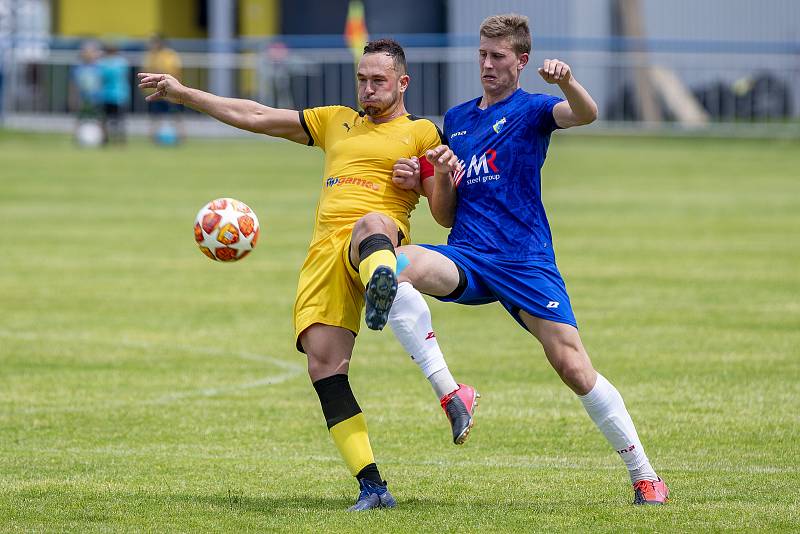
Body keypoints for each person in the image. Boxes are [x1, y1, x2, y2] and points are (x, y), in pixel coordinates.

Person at [138, 38, 477, 511]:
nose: (368, 88)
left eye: (378, 80)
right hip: (324, 252)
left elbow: (444, 215)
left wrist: (434, 175)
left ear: (403, 83)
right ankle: (373, 487)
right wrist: (186, 94)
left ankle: (383, 283)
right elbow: (256, 115)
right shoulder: (334, 120)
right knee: (323, 365)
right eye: (362, 79)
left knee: (371, 225)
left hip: (379, 233)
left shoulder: (421, 133)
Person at [387, 14, 669, 505]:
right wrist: (439, 175)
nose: (487, 65)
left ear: (521, 61)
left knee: (574, 368)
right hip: (469, 256)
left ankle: (644, 474)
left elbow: (586, 114)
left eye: (498, 56)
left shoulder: (533, 109)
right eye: (482, 54)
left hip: (524, 262)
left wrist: (568, 83)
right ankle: (453, 392)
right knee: (389, 267)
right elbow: (445, 214)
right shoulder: (456, 120)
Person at [141, 35, 184, 141]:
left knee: (175, 114)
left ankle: (181, 136)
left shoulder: (170, 55)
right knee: (155, 116)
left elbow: (175, 71)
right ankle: (153, 137)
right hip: (154, 91)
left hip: (170, 90)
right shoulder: (150, 56)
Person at [97, 42, 131, 144]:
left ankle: (109, 139)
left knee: (109, 120)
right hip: (115, 95)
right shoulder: (121, 62)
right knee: (116, 120)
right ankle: (116, 140)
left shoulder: (103, 63)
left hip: (112, 94)